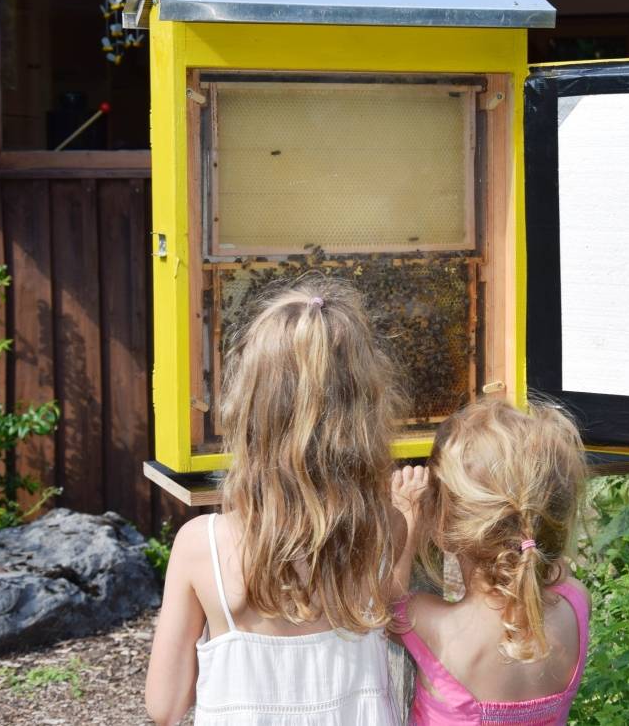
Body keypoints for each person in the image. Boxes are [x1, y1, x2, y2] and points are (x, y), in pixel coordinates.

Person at [145, 277, 407, 725]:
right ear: (364, 408)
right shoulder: (388, 528)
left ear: (248, 407)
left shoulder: (201, 545)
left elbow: (164, 706)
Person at [391, 399, 590, 726]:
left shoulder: (436, 627)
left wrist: (409, 519)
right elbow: (550, 568)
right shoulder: (577, 604)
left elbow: (384, 607)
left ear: (442, 528)